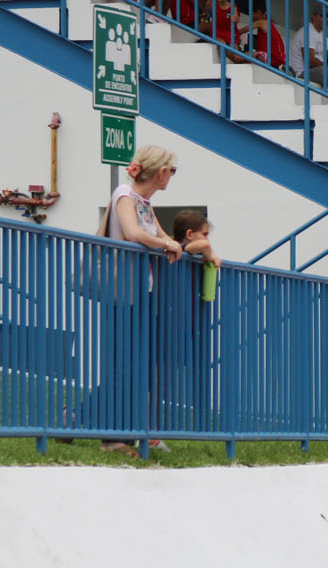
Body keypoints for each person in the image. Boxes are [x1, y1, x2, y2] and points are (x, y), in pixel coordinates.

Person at [99, 145, 186, 455]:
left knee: (139, 363)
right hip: (123, 291)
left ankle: (132, 430)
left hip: (141, 291)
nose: (172, 177)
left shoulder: (144, 202)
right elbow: (134, 234)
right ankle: (112, 436)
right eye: (172, 171)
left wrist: (170, 243)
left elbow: (163, 237)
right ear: (161, 172)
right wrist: (166, 243)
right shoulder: (125, 194)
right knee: (122, 363)